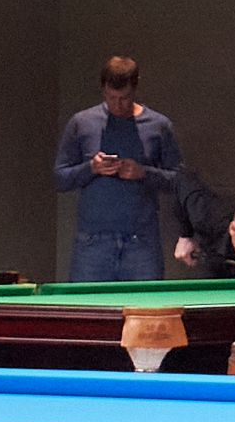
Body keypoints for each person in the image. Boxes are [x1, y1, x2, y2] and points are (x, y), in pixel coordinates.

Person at [54, 56, 182, 281]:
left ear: (135, 88)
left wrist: (143, 173)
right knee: (87, 303)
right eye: (111, 97)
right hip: (92, 244)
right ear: (103, 90)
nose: (117, 104)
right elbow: (60, 178)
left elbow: (179, 180)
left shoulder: (158, 126)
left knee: (145, 303)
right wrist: (91, 168)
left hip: (141, 244)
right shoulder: (82, 123)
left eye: (124, 98)